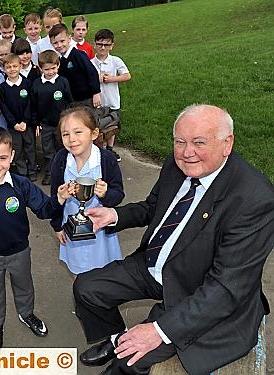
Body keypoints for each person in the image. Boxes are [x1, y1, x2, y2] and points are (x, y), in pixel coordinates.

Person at [74, 104, 274, 374]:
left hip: (199, 287)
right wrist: (114, 215)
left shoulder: (255, 199)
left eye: (199, 142)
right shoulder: (176, 163)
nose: (186, 152)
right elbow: (154, 207)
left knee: (127, 363)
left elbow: (225, 288)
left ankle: (123, 348)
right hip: (156, 263)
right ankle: (117, 338)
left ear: (227, 143)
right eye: (180, 141)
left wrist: (159, 330)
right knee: (86, 288)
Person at [0, 126, 73, 349]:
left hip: (20, 251)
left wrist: (58, 199)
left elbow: (43, 210)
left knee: (24, 286)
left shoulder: (21, 185)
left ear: (12, 155)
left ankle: (26, 313)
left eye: (2, 158)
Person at [50, 106, 123, 275]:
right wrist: (57, 226)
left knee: (104, 273)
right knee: (79, 274)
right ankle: (83, 300)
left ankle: (105, 301)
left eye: (78, 132)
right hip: (72, 230)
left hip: (101, 233)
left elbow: (118, 194)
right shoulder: (61, 160)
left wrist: (105, 194)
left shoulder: (106, 160)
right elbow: (54, 197)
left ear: (94, 133)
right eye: (65, 134)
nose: (71, 139)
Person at [31, 50, 73, 185]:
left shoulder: (63, 82)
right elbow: (34, 105)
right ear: (40, 68)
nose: (50, 72)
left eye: (53, 68)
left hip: (62, 123)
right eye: (47, 69)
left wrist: (68, 120)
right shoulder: (37, 84)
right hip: (45, 124)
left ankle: (63, 173)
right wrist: (36, 122)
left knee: (62, 148)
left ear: (58, 65)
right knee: (47, 150)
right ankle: (50, 172)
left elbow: (69, 102)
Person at [91, 29, 131, 162]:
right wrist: (97, 78)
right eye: (100, 44)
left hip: (112, 99)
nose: (103, 47)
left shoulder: (115, 61)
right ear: (94, 44)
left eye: (106, 45)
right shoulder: (91, 62)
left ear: (112, 45)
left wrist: (111, 79)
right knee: (100, 126)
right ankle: (100, 150)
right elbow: (86, 80)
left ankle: (110, 148)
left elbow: (127, 76)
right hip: (98, 102)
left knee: (113, 124)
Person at [0, 54, 36, 181]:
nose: (12, 69)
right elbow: (4, 108)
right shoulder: (2, 88)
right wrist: (14, 123)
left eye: (15, 66)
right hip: (13, 126)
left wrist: (25, 121)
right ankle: (22, 171)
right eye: (8, 67)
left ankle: (32, 169)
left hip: (27, 124)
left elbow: (31, 103)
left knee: (30, 147)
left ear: (20, 66)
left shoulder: (27, 84)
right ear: (4, 69)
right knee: (17, 149)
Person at [50, 23, 101, 106]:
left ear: (69, 38)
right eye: (55, 43)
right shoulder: (60, 60)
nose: (59, 45)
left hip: (87, 98)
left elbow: (92, 72)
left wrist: (96, 92)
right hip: (72, 100)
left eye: (62, 41)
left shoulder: (79, 55)